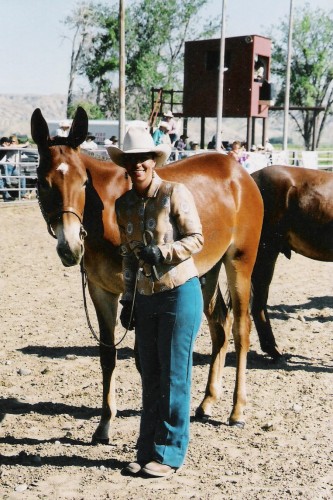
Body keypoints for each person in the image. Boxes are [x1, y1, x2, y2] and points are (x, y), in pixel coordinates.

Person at [107, 126, 204, 479]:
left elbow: (197, 239)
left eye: (141, 160)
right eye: (130, 161)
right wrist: (128, 299)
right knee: (149, 374)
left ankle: (169, 453)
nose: (136, 166)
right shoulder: (124, 205)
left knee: (175, 375)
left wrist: (164, 251)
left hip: (179, 292)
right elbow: (129, 258)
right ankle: (146, 448)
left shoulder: (174, 193)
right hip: (145, 300)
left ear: (153, 160)